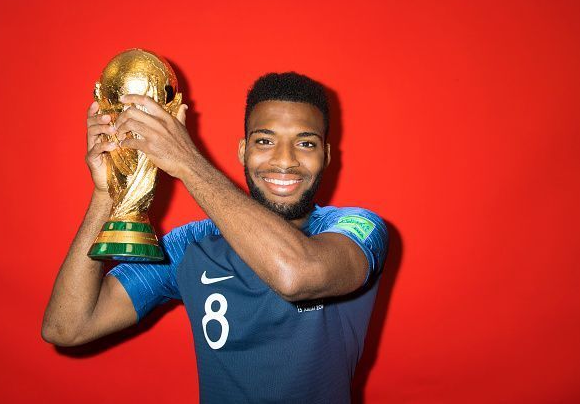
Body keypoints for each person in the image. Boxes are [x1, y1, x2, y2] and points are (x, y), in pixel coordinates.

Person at [42, 72, 388, 403]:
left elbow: (294, 275)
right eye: (265, 141)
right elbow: (67, 327)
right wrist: (110, 193)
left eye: (305, 143)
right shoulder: (191, 245)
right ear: (242, 151)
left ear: (326, 156)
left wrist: (187, 161)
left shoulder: (357, 228)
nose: (285, 160)